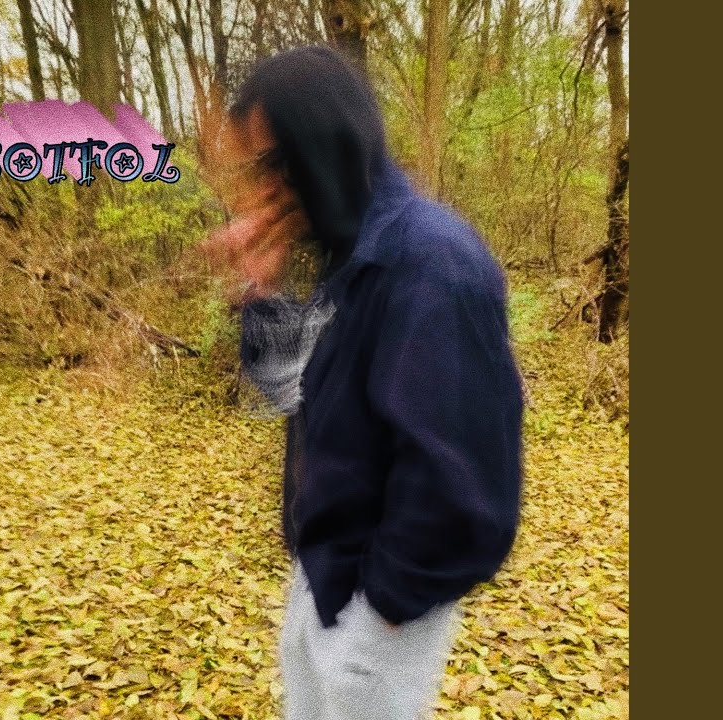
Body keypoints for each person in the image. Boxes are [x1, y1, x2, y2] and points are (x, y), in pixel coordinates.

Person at [200, 46, 525, 720]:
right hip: (321, 576)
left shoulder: (431, 264)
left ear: (319, 145)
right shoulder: (352, 257)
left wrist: (382, 615)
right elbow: (284, 395)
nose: (262, 191)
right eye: (257, 170)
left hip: (375, 612)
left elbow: (465, 485)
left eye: (271, 164)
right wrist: (262, 290)